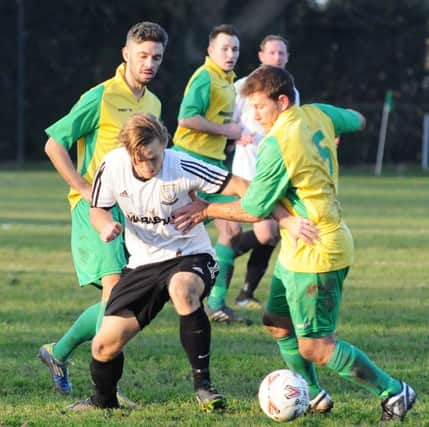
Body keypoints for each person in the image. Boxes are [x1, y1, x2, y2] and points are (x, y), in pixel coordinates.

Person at [172, 66, 416, 421]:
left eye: (259, 106)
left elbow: (255, 208)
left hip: (318, 251)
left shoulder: (279, 144)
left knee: (316, 346)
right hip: (300, 245)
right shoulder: (317, 113)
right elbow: (358, 119)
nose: (254, 115)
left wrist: (206, 209)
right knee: (276, 322)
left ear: (281, 101)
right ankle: (314, 394)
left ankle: (394, 392)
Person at [66, 113, 252, 411]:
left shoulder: (180, 164)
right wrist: (104, 226)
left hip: (190, 255)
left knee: (182, 289)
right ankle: (104, 402)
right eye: (141, 160)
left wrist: (211, 210)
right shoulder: (112, 165)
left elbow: (244, 187)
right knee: (103, 346)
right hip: (142, 264)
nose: (149, 166)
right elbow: (98, 210)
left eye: (154, 157)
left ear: (164, 144)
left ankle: (204, 386)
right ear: (129, 153)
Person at [38, 22, 168, 400]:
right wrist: (82, 187)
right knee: (116, 300)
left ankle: (57, 353)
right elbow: (53, 144)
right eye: (142, 55)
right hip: (96, 210)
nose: (149, 63)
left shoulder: (154, 104)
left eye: (156, 57)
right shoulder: (99, 97)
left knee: (126, 302)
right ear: (126, 54)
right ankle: (106, 391)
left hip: (133, 214)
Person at [173, 24, 248, 323]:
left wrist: (231, 135)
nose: (230, 54)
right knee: (177, 233)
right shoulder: (205, 77)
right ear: (210, 51)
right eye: (225, 49)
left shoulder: (229, 82)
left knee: (231, 230)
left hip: (214, 164)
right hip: (189, 162)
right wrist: (226, 130)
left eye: (235, 49)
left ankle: (215, 302)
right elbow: (186, 118)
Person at [231, 35, 300, 310]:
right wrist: (236, 137)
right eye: (272, 52)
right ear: (260, 55)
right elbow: (226, 124)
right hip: (248, 171)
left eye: (282, 53)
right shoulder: (241, 88)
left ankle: (246, 292)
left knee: (271, 234)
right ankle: (211, 258)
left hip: (276, 172)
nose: (277, 57)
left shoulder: (291, 91)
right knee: (265, 232)